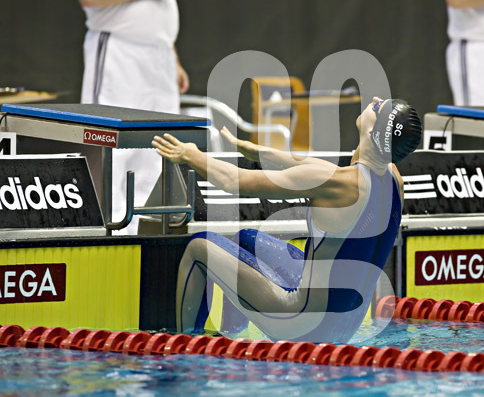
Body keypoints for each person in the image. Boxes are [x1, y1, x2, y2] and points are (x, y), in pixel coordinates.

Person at [152, 97, 422, 343]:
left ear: (374, 132)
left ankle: (186, 347)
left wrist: (190, 154)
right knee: (247, 239)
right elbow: (326, 170)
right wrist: (263, 152)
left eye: (378, 107)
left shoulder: (338, 185)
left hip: (303, 327)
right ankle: (236, 338)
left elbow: (233, 180)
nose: (374, 100)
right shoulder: (393, 179)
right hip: (343, 329)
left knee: (199, 248)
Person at [78, 0, 189, 234]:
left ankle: (146, 236)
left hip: (160, 54)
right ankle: (110, 237)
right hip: (119, 50)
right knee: (113, 151)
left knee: (157, 152)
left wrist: (172, 56)